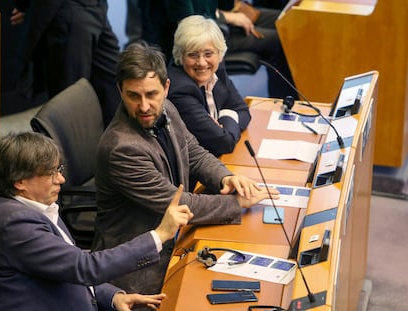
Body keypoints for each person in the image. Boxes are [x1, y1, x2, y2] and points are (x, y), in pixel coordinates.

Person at [91, 41, 280, 300]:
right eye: (133, 96)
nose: (144, 106)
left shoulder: (166, 109)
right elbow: (179, 205)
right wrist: (237, 203)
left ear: (166, 87)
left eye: (151, 94)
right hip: (141, 270)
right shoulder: (121, 148)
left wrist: (226, 177)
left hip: (178, 241)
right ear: (120, 91)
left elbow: (193, 151)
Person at [0, 132, 193, 311]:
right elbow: (84, 268)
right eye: (50, 173)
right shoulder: (16, 224)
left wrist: (113, 297)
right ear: (20, 182)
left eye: (59, 169)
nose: (61, 179)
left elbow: (68, 263)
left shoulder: (37, 206)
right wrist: (159, 235)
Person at [10, 0, 121, 126]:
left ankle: (113, 142)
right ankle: (70, 144)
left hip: (97, 8)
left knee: (113, 84)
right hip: (70, 9)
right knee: (70, 100)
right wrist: (25, 6)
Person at [165, 0, 298, 99]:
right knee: (281, 41)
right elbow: (189, 23)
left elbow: (226, 4)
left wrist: (227, 14)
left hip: (219, 18)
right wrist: (226, 17)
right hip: (203, 34)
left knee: (290, 22)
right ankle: (284, 103)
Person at [168, 15, 251, 157]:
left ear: (219, 53)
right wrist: (229, 121)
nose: (202, 63)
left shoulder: (217, 69)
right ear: (180, 56)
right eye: (193, 55)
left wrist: (224, 121)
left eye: (208, 54)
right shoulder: (180, 91)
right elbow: (223, 143)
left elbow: (243, 110)